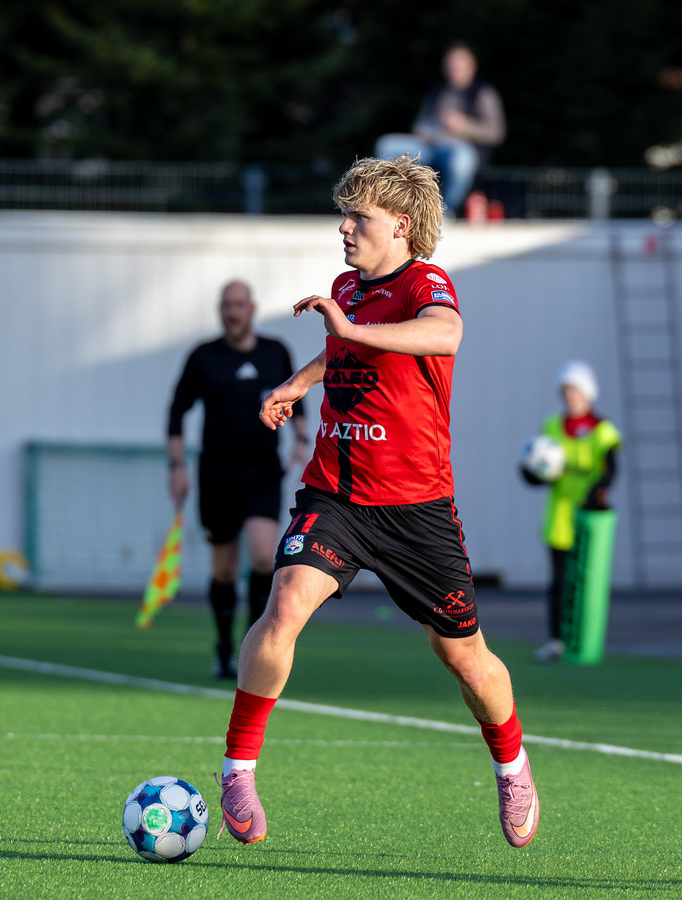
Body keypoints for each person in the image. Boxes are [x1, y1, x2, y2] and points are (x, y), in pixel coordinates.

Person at [216, 155, 539, 851]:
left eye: (358, 217)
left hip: (417, 509)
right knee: (284, 608)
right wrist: (299, 383)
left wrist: (349, 329)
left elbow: (443, 334)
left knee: (465, 658)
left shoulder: (427, 282)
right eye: (344, 216)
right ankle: (238, 771)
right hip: (335, 495)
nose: (345, 228)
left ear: (401, 224)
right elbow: (343, 348)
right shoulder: (348, 288)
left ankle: (512, 764)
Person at [167, 280, 309, 679]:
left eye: (239, 305)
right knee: (225, 569)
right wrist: (176, 467)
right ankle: (225, 650)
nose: (233, 312)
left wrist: (301, 439)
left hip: (263, 471)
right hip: (217, 474)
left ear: (252, 309)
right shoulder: (203, 356)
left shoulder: (275, 351)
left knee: (264, 556)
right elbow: (176, 411)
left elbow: (297, 397)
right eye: (227, 305)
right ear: (221, 310)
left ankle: (256, 650)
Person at [522, 360, 621, 662]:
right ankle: (556, 642)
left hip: (589, 519)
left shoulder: (603, 431)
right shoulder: (552, 427)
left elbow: (610, 470)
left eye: (575, 390)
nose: (570, 396)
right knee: (560, 583)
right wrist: (532, 474)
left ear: (588, 393)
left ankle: (584, 640)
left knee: (586, 582)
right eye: (565, 390)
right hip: (560, 517)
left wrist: (596, 493)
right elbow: (541, 470)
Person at [375, 42, 505, 216]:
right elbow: (420, 124)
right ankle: (392, 205)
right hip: (430, 145)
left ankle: (444, 211)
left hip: (462, 147)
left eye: (459, 67)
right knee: (387, 145)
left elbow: (496, 132)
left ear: (472, 68)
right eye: (451, 66)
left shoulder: (482, 93)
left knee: (462, 160)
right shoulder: (438, 91)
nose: (454, 71)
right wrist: (427, 133)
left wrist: (464, 126)